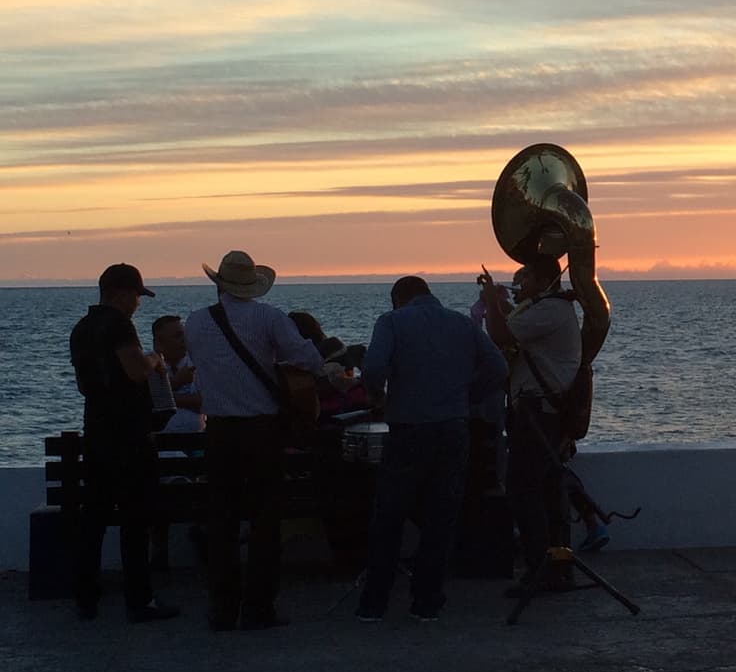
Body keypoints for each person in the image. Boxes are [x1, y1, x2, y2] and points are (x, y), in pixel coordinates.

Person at [184, 250, 323, 631]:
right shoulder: (268, 317)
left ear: (219, 284)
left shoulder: (195, 323)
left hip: (219, 431)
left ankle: (222, 608)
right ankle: (259, 607)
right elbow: (307, 358)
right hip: (261, 430)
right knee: (265, 520)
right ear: (253, 284)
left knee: (222, 521)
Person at [355, 275, 507, 622]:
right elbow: (498, 367)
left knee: (389, 517)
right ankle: (426, 602)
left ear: (398, 299)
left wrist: (377, 396)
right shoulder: (461, 324)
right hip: (453, 429)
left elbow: (375, 366)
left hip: (408, 429)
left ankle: (374, 603)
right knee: (440, 517)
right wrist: (468, 396)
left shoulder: (391, 321)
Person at [68, 263, 180, 623]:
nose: (138, 303)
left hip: (97, 431)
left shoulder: (81, 329)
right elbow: (134, 370)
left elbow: (86, 383)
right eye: (136, 295)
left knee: (95, 519)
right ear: (119, 293)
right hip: (129, 435)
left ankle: (86, 597)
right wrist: (156, 359)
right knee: (135, 519)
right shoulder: (119, 325)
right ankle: (140, 600)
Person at [481, 255, 582, 593]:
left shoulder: (550, 310)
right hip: (541, 413)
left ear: (543, 280)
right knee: (547, 490)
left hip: (539, 414)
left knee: (523, 489)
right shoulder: (546, 308)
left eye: (525, 277)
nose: (520, 283)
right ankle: (556, 567)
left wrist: (492, 302)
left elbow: (499, 333)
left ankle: (540, 567)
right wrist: (504, 304)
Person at [149, 315, 204, 569]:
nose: (184, 341)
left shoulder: (197, 365)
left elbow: (205, 402)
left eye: (184, 335)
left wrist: (168, 394)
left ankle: (201, 530)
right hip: (160, 451)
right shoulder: (148, 367)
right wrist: (177, 385)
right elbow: (144, 406)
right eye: (177, 336)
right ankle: (160, 547)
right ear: (159, 342)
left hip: (195, 448)